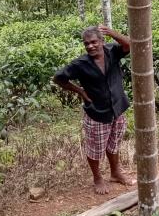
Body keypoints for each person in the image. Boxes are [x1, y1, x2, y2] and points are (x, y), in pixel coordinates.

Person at [54, 25, 134, 194]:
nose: (90, 46)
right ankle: (97, 178)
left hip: (117, 108)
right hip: (97, 112)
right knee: (96, 148)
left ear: (101, 41)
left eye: (93, 42)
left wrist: (113, 33)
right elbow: (58, 78)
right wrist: (80, 91)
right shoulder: (80, 64)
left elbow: (130, 45)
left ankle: (115, 173)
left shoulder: (112, 51)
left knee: (114, 144)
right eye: (86, 44)